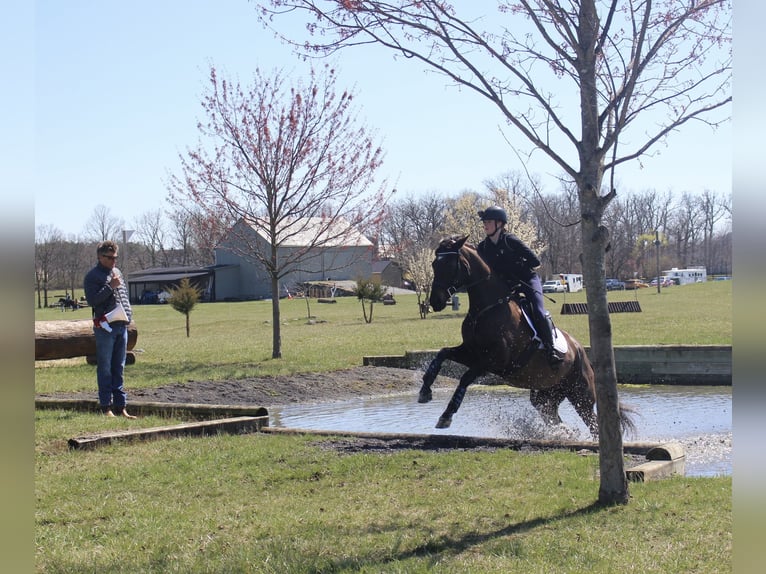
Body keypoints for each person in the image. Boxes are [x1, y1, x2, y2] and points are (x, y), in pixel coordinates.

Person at [476, 206, 563, 366]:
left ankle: (550, 350)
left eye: (488, 222)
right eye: (484, 222)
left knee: (538, 310)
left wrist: (515, 266)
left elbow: (535, 261)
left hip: (527, 280)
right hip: (507, 286)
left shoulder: (511, 241)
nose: (485, 225)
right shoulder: (483, 248)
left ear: (499, 224)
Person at [83, 240, 137, 418]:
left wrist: (129, 316)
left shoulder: (117, 272)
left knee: (119, 367)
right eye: (109, 257)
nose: (114, 261)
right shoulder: (93, 276)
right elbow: (93, 300)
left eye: (115, 257)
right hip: (105, 326)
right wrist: (110, 287)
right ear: (100, 257)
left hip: (121, 325)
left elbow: (123, 297)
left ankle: (121, 406)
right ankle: (106, 406)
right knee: (105, 367)